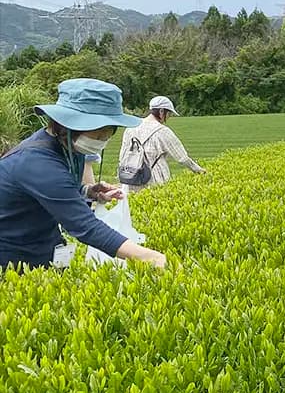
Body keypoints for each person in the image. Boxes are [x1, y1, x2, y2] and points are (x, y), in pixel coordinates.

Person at [0, 78, 168, 270]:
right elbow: (85, 226)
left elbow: (52, 190)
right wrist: (151, 257)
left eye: (109, 132)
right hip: (12, 260)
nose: (103, 139)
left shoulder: (70, 146)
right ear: (69, 125)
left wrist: (87, 191)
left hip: (43, 247)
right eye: (98, 132)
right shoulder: (36, 162)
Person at [117, 96, 206, 193]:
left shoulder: (130, 127)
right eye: (169, 113)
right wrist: (199, 170)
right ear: (162, 112)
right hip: (154, 178)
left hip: (131, 177)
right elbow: (182, 158)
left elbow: (123, 155)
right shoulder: (163, 131)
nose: (169, 117)